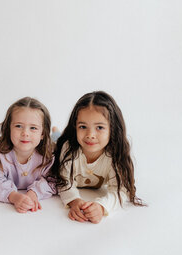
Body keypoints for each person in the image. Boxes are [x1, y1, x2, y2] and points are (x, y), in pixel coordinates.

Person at [49, 91, 144, 224]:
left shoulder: (114, 154)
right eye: (83, 127)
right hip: (60, 145)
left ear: (112, 129)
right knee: (56, 142)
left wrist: (101, 206)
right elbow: (64, 181)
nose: (90, 135)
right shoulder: (69, 149)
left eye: (99, 127)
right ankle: (55, 133)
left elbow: (120, 190)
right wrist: (74, 201)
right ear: (75, 127)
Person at [0, 97, 55, 213]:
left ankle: (56, 132)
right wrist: (14, 196)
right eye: (18, 126)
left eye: (33, 128)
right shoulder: (0, 152)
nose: (25, 133)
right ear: (8, 129)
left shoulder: (48, 154)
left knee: (58, 138)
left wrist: (34, 192)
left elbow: (54, 180)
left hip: (53, 141)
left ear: (43, 133)